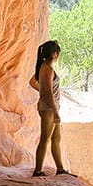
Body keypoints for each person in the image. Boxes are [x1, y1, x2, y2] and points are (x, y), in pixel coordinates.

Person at [29, 40, 71, 177]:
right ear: (54, 54)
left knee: (56, 138)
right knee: (45, 139)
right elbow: (48, 93)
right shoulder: (47, 69)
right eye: (57, 52)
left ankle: (60, 169)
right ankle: (38, 170)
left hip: (49, 108)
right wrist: (55, 112)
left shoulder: (43, 67)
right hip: (49, 109)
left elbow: (33, 82)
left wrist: (42, 92)